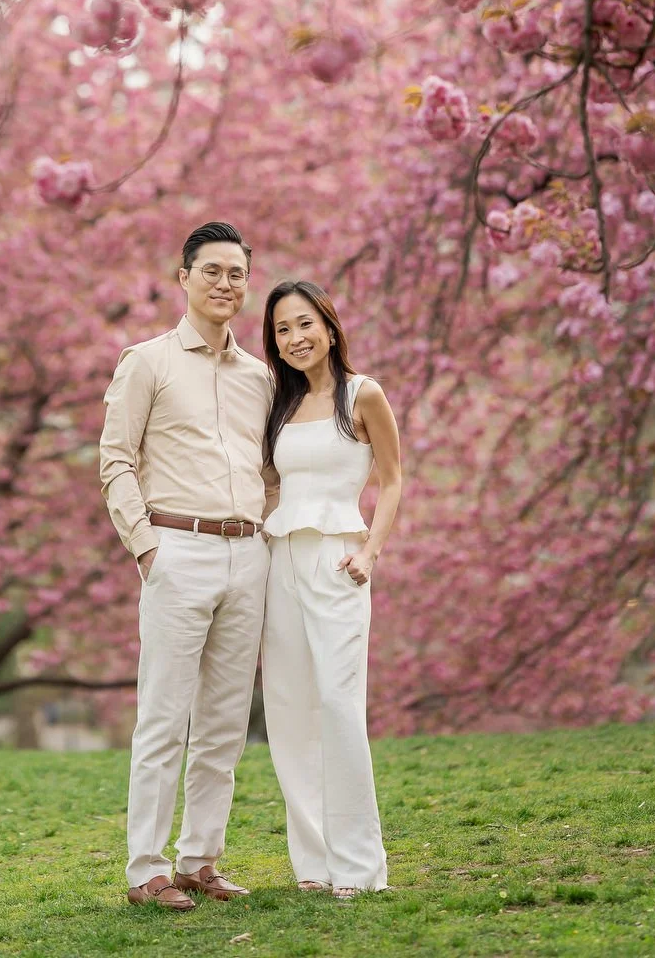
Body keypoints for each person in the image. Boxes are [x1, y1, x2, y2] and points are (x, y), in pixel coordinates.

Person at [99, 220, 277, 912]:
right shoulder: (147, 361)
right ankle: (147, 868)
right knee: (164, 718)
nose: (226, 283)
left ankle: (201, 859)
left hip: (247, 555)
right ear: (184, 278)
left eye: (237, 273)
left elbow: (271, 470)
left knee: (226, 722)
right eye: (212, 271)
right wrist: (146, 546)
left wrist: (264, 528)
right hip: (178, 549)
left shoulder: (261, 377)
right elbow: (115, 459)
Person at [259, 278, 402, 900]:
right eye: (282, 330)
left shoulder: (363, 394)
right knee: (289, 713)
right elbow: (272, 484)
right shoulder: (280, 406)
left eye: (303, 324)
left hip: (339, 560)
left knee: (340, 707)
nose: (294, 338)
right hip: (279, 561)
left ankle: (359, 867)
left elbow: (394, 480)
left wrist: (371, 552)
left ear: (329, 324)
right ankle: (313, 865)